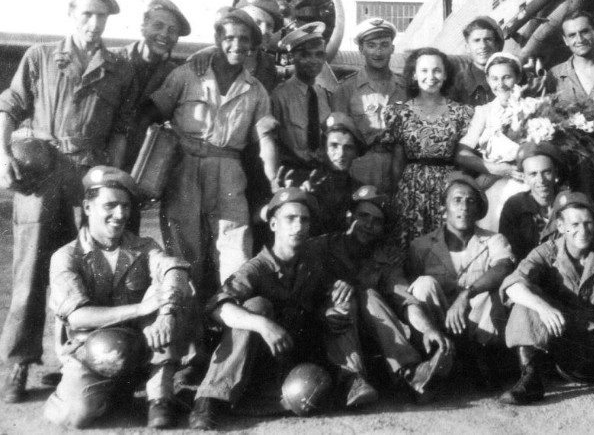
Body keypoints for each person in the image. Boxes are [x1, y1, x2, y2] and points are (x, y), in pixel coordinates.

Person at [0, 0, 137, 403]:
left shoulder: (119, 69)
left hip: (87, 181)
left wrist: (111, 176)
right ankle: (18, 364)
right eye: (87, 14)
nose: (94, 24)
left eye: (102, 17)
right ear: (71, 14)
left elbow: (119, 130)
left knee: (84, 272)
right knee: (29, 274)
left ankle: (75, 360)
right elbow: (9, 106)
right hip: (41, 178)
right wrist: (3, 154)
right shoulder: (40, 58)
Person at [188, 188, 374, 430]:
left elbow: (324, 299)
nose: (298, 226)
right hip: (256, 361)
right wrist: (262, 324)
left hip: (295, 357)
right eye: (290, 219)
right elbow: (217, 307)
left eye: (304, 219)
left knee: (340, 299)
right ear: (274, 224)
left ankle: (350, 379)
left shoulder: (312, 265)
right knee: (256, 307)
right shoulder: (256, 268)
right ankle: (209, 398)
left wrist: (331, 304)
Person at [44, 167, 193, 429]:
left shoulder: (144, 247)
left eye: (125, 206)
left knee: (168, 288)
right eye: (110, 206)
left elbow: (175, 268)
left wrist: (166, 312)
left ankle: (159, 396)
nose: (121, 214)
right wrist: (140, 308)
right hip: (87, 352)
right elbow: (78, 316)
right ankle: (96, 391)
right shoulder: (66, 257)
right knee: (74, 417)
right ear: (87, 207)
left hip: (140, 347)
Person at [149, 7, 280, 302]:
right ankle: (185, 328)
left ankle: (230, 324)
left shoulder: (256, 90)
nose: (237, 45)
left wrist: (274, 182)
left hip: (230, 173)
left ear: (252, 44)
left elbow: (266, 139)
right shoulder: (185, 75)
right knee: (184, 251)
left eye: (244, 39)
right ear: (217, 39)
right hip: (184, 168)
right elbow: (151, 113)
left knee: (235, 249)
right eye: (229, 37)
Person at [498, 191, 594, 407]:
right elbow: (512, 284)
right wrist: (543, 307)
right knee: (527, 296)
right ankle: (531, 378)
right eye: (574, 224)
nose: (582, 231)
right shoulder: (547, 252)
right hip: (561, 344)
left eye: (588, 223)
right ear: (561, 226)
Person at [313, 186, 454, 402]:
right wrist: (322, 314)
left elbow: (404, 299)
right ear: (349, 216)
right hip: (327, 330)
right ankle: (352, 379)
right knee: (342, 298)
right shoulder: (321, 247)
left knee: (368, 295)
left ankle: (410, 371)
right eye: (363, 216)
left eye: (377, 221)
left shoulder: (386, 256)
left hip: (371, 334)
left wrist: (428, 329)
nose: (369, 225)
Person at [406, 174, 516, 377]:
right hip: (440, 327)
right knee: (423, 284)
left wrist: (467, 294)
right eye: (457, 200)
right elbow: (412, 296)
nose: (464, 207)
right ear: (443, 209)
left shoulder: (494, 240)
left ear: (478, 211)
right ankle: (433, 355)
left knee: (489, 288)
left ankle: (483, 358)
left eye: (470, 201)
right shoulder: (420, 246)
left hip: (479, 328)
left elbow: (504, 267)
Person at [385, 47, 473, 244]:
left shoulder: (462, 113)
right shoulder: (399, 113)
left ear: (445, 75)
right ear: (414, 75)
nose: (431, 77)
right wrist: (394, 195)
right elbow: (398, 160)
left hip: (449, 188)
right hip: (411, 190)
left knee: (446, 245)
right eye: (424, 71)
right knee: (411, 246)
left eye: (437, 70)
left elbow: (465, 158)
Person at [113, 0, 190, 172]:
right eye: (158, 25)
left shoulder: (173, 74)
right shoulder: (113, 60)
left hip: (141, 160)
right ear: (143, 27)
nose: (164, 34)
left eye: (172, 30)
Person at [457, 52, 530, 232]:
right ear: (488, 80)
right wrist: (497, 169)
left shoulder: (534, 107)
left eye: (507, 77)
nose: (501, 84)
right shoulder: (484, 112)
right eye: (495, 78)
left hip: (528, 183)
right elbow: (461, 154)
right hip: (495, 185)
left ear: (518, 77)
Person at [333, 18, 407, 194]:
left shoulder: (406, 87)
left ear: (392, 48)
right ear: (361, 50)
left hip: (400, 166)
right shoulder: (346, 89)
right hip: (361, 167)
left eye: (384, 44)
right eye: (371, 45)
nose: (378, 52)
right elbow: (338, 136)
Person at [271, 22, 340, 173]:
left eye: (319, 55)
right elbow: (273, 142)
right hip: (292, 172)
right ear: (292, 58)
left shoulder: (324, 95)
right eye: (305, 55)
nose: (313, 61)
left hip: (322, 171)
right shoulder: (280, 96)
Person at [296, 112, 365, 234]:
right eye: (334, 146)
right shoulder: (306, 184)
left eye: (348, 147)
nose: (341, 154)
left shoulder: (358, 191)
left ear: (355, 153)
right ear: (322, 151)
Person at [498, 141, 566, 261]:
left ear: (556, 173)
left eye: (547, 172)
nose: (541, 180)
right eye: (533, 174)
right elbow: (508, 254)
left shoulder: (568, 202)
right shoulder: (514, 207)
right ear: (524, 177)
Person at [546, 10, 594, 105]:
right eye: (572, 35)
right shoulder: (555, 75)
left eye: (584, 32)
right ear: (565, 40)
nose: (579, 39)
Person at [449, 16, 504, 106]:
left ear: (497, 45)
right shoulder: (456, 86)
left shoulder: (512, 74)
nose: (483, 46)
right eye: (476, 40)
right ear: (467, 47)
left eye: (488, 39)